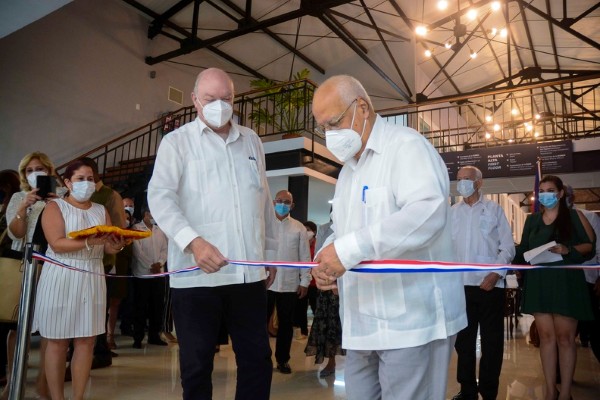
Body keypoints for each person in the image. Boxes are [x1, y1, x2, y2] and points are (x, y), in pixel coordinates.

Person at [310, 75, 466, 400]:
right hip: (360, 322)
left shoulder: (406, 146)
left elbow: (427, 213)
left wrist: (349, 250)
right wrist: (326, 256)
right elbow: (342, 230)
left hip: (411, 321)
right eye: (323, 127)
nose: (330, 135)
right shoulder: (348, 173)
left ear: (362, 108)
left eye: (335, 122)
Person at [147, 67, 278, 400]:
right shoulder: (177, 142)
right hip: (196, 278)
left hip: (248, 274)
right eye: (210, 99)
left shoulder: (251, 140)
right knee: (196, 365)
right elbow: (160, 197)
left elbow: (262, 197)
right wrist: (193, 241)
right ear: (194, 100)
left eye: (227, 98)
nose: (220, 105)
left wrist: (271, 254)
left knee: (257, 360)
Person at [33, 159, 127, 400]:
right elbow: (56, 243)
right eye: (80, 179)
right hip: (62, 275)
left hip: (92, 275)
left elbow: (106, 248)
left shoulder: (100, 210)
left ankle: (78, 396)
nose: (86, 183)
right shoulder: (55, 207)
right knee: (57, 341)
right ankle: (57, 397)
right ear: (67, 182)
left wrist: (116, 245)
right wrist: (88, 241)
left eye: (90, 179)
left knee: (86, 341)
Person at [513, 175, 595, 400]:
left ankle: (566, 391)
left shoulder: (574, 217)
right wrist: (507, 259)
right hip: (540, 282)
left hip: (566, 281)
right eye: (542, 190)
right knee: (546, 338)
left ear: (560, 194)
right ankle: (551, 390)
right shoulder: (532, 221)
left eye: (550, 190)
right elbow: (523, 250)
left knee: (566, 339)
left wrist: (568, 250)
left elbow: (590, 246)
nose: (545, 194)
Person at [450, 166, 516, 400]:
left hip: (490, 286)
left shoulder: (494, 210)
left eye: (466, 179)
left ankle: (488, 392)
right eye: (459, 180)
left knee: (492, 342)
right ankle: (467, 390)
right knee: (464, 344)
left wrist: (496, 273)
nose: (462, 184)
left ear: (479, 183)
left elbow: (508, 247)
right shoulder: (452, 213)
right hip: (460, 287)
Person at [2, 152, 62, 400]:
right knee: (18, 327)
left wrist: (57, 203)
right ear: (24, 174)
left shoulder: (61, 199)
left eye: (40, 168)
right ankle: (14, 381)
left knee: (49, 326)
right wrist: (24, 206)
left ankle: (43, 383)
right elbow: (15, 234)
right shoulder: (19, 197)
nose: (35, 173)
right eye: (29, 170)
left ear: (49, 171)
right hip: (24, 263)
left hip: (53, 265)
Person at [80, 157, 126, 368]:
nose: (85, 181)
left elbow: (118, 227)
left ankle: (99, 352)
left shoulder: (110, 195)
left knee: (98, 306)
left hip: (102, 260)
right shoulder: (70, 196)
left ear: (96, 173)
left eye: (88, 176)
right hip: (77, 259)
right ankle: (88, 351)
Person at [267, 190, 311, 374]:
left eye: (287, 202)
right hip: (266, 282)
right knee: (260, 322)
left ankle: (283, 359)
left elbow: (305, 256)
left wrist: (305, 281)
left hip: (290, 283)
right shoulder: (265, 224)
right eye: (279, 201)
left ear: (292, 205)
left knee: (286, 324)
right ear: (273, 202)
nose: (283, 204)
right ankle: (262, 359)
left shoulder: (299, 227)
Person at [304, 220, 346, 378]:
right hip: (328, 286)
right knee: (328, 325)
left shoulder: (355, 224)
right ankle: (330, 362)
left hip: (350, 283)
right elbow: (318, 257)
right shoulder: (324, 229)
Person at [565, 185, 600, 362]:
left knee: (594, 329)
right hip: (562, 283)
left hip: (586, 281)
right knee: (564, 336)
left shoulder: (589, 217)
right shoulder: (548, 219)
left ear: (572, 197)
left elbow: (597, 248)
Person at [131, 207, 168, 348]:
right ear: (146, 214)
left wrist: (159, 263)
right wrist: (150, 265)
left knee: (157, 307)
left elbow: (165, 249)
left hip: (158, 274)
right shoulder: (136, 228)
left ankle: (154, 335)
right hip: (142, 274)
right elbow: (137, 251)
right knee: (140, 307)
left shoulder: (160, 230)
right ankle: (138, 338)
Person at [294, 221, 318, 339]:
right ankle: (303, 331)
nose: (306, 232)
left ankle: (316, 333)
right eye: (304, 229)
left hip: (314, 283)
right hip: (301, 282)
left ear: (314, 232)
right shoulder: (299, 243)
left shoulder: (318, 246)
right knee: (301, 308)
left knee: (316, 308)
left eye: (308, 230)